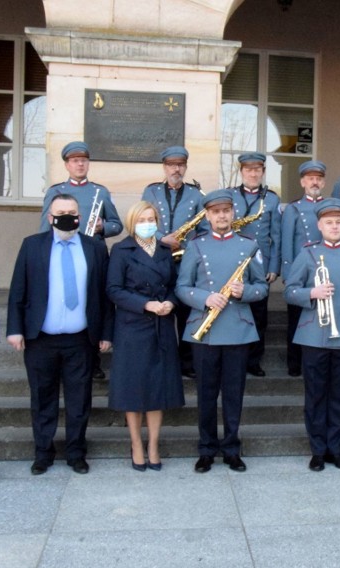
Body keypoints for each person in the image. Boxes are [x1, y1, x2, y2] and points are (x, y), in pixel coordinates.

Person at [7, 194, 113, 476]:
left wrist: (105, 332)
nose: (67, 216)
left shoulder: (95, 248)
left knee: (80, 400)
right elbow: (19, 289)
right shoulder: (32, 246)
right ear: (50, 216)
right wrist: (15, 329)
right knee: (43, 398)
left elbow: (104, 295)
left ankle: (76, 452)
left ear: (79, 216)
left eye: (72, 212)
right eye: (61, 212)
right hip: (41, 338)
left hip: (81, 339)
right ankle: (43, 453)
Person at [177, 190, 268, 473]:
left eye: (226, 211)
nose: (222, 216)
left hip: (237, 330)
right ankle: (206, 449)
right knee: (205, 394)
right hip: (205, 330)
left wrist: (246, 291)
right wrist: (204, 298)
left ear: (233, 213)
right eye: (216, 212)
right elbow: (181, 287)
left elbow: (262, 287)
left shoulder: (248, 244)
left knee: (233, 393)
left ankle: (231, 448)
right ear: (208, 215)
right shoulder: (196, 245)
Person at [284, 199, 340, 472]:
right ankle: (317, 450)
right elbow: (289, 290)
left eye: (338, 222)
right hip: (313, 337)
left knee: (338, 397)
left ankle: (336, 448)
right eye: (329, 223)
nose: (334, 226)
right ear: (319, 226)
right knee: (315, 396)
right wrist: (312, 293)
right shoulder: (308, 253)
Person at [106, 201, 184, 472]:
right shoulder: (121, 249)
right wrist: (145, 304)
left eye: (151, 218)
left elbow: (176, 285)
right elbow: (114, 289)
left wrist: (171, 303)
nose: (148, 223)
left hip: (162, 326)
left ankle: (153, 444)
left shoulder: (165, 250)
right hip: (133, 326)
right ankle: (136, 444)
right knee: (134, 388)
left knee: (157, 388)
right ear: (132, 223)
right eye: (142, 219)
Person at [40, 141, 120, 380]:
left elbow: (117, 224)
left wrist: (103, 226)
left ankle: (93, 361)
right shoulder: (55, 192)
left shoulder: (100, 192)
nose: (80, 164)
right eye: (75, 160)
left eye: (83, 160)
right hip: (64, 254)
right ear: (67, 164)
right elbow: (45, 227)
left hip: (93, 255)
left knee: (93, 303)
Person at [142, 145, 206, 379]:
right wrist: (162, 238)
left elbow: (204, 229)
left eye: (180, 165)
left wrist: (186, 246)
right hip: (156, 258)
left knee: (186, 312)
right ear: (164, 167)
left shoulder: (197, 195)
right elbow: (142, 221)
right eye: (171, 165)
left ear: (185, 167)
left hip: (185, 261)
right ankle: (163, 360)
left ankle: (186, 363)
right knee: (160, 311)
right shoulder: (151, 192)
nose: (176, 169)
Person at [228, 152, 282, 377]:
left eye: (257, 169)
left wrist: (274, 266)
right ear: (241, 172)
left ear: (262, 172)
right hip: (233, 262)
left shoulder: (271, 199)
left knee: (259, 316)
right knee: (234, 312)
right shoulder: (229, 196)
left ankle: (253, 360)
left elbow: (277, 236)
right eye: (248, 169)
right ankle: (234, 358)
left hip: (260, 264)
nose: (253, 173)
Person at [281, 160, 327, 377]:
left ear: (323, 182)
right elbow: (287, 242)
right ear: (302, 182)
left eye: (318, 178)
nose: (314, 182)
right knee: (296, 320)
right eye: (310, 178)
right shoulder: (294, 208)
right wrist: (289, 276)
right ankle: (294, 362)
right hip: (301, 274)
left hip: (326, 273)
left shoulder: (331, 207)